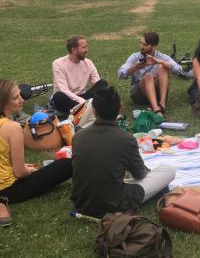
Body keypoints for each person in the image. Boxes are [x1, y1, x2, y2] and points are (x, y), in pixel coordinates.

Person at [0, 79, 72, 226]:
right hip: (5, 190)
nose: (22, 100)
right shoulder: (12, 127)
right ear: (2, 102)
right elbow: (20, 173)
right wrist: (27, 170)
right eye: (16, 97)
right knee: (68, 164)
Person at [71, 86, 175, 218]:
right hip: (113, 203)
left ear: (94, 111)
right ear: (119, 107)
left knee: (110, 181)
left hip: (81, 203)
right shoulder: (126, 139)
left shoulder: (78, 136)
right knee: (168, 170)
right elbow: (140, 174)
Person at [118, 32, 182, 117]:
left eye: (145, 45)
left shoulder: (161, 56)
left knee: (163, 67)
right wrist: (135, 67)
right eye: (141, 43)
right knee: (148, 76)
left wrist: (160, 62)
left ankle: (162, 104)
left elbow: (178, 69)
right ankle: (156, 109)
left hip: (157, 93)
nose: (141, 46)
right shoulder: (135, 57)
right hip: (139, 95)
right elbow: (121, 74)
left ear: (154, 46)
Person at [51, 35, 107, 116]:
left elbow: (97, 82)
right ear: (73, 50)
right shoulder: (58, 64)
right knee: (58, 96)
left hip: (83, 98)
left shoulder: (88, 63)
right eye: (83, 47)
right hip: (68, 98)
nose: (87, 50)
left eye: (86, 47)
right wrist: (82, 101)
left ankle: (82, 110)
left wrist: (109, 96)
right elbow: (63, 89)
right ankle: (89, 110)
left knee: (102, 83)